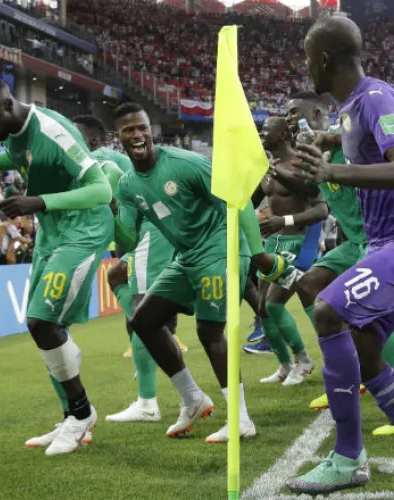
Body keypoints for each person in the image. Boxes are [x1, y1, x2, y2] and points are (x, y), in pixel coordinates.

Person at [285, 17, 394, 494]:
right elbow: (355, 140)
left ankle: (347, 458)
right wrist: (325, 142)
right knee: (365, 348)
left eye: (306, 58)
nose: (304, 68)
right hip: (389, 243)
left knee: (327, 309)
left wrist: (333, 169)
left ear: (322, 60)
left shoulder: (376, 97)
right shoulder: (353, 108)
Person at [0, 73, 114, 456]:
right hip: (53, 232)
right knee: (41, 328)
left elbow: (102, 190)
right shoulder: (16, 130)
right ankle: (72, 413)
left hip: (83, 228)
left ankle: (81, 413)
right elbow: (15, 155)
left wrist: (37, 202)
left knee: (43, 323)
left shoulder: (54, 131)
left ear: (8, 104)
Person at [112, 102, 289, 443]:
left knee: (209, 331)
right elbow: (128, 237)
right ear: (117, 136)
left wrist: (257, 254)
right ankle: (193, 399)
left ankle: (241, 419)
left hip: (221, 247)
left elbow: (236, 199)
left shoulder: (185, 164)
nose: (137, 135)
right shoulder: (127, 185)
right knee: (143, 320)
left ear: (152, 130)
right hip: (187, 256)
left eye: (142, 127)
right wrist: (110, 214)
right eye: (128, 130)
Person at [275, 90, 394, 437]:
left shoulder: (350, 139)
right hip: (354, 242)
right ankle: (348, 372)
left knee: (369, 319)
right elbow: (313, 191)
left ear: (316, 112)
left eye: (293, 111)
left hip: (384, 239)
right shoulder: (311, 151)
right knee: (309, 284)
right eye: (284, 112)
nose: (287, 116)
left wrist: (342, 138)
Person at [72, 113, 184, 422]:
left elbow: (100, 203)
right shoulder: (103, 160)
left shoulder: (97, 161)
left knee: (143, 312)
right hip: (141, 232)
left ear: (92, 140)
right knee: (116, 275)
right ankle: (157, 337)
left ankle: (148, 402)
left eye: (74, 134)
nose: (67, 138)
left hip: (152, 229)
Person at [244, 116, 326, 386]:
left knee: (273, 304)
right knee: (261, 308)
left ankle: (304, 361)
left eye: (266, 129)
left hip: (298, 243)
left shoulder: (301, 163)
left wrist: (285, 221)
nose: (260, 133)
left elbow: (321, 209)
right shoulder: (267, 168)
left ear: (281, 135)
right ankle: (284, 364)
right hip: (272, 244)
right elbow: (248, 202)